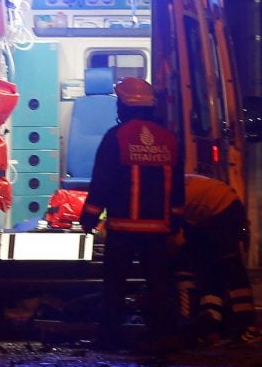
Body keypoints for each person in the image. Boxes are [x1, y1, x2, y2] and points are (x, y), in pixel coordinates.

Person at [79, 77, 185, 350]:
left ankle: (111, 337)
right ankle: (164, 336)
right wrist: (176, 221)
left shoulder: (117, 137)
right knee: (160, 286)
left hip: (123, 229)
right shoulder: (169, 139)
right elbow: (177, 187)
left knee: (114, 286)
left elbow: (102, 180)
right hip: (158, 231)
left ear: (123, 105)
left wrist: (89, 217)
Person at [177, 174, 260, 344]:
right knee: (210, 268)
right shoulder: (175, 185)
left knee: (230, 268)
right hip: (216, 208)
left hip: (224, 210)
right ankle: (211, 323)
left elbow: (175, 239)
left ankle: (247, 325)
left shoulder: (166, 196)